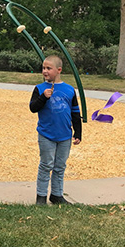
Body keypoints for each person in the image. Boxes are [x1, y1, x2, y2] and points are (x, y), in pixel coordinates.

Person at [29, 55, 82, 205]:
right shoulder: (39, 89)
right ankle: (41, 196)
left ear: (58, 70)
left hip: (65, 135)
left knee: (60, 166)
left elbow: (75, 113)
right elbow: (33, 108)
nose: (45, 71)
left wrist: (78, 133)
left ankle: (57, 195)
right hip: (46, 134)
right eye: (43, 68)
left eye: (48, 68)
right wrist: (43, 98)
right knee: (46, 165)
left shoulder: (69, 90)